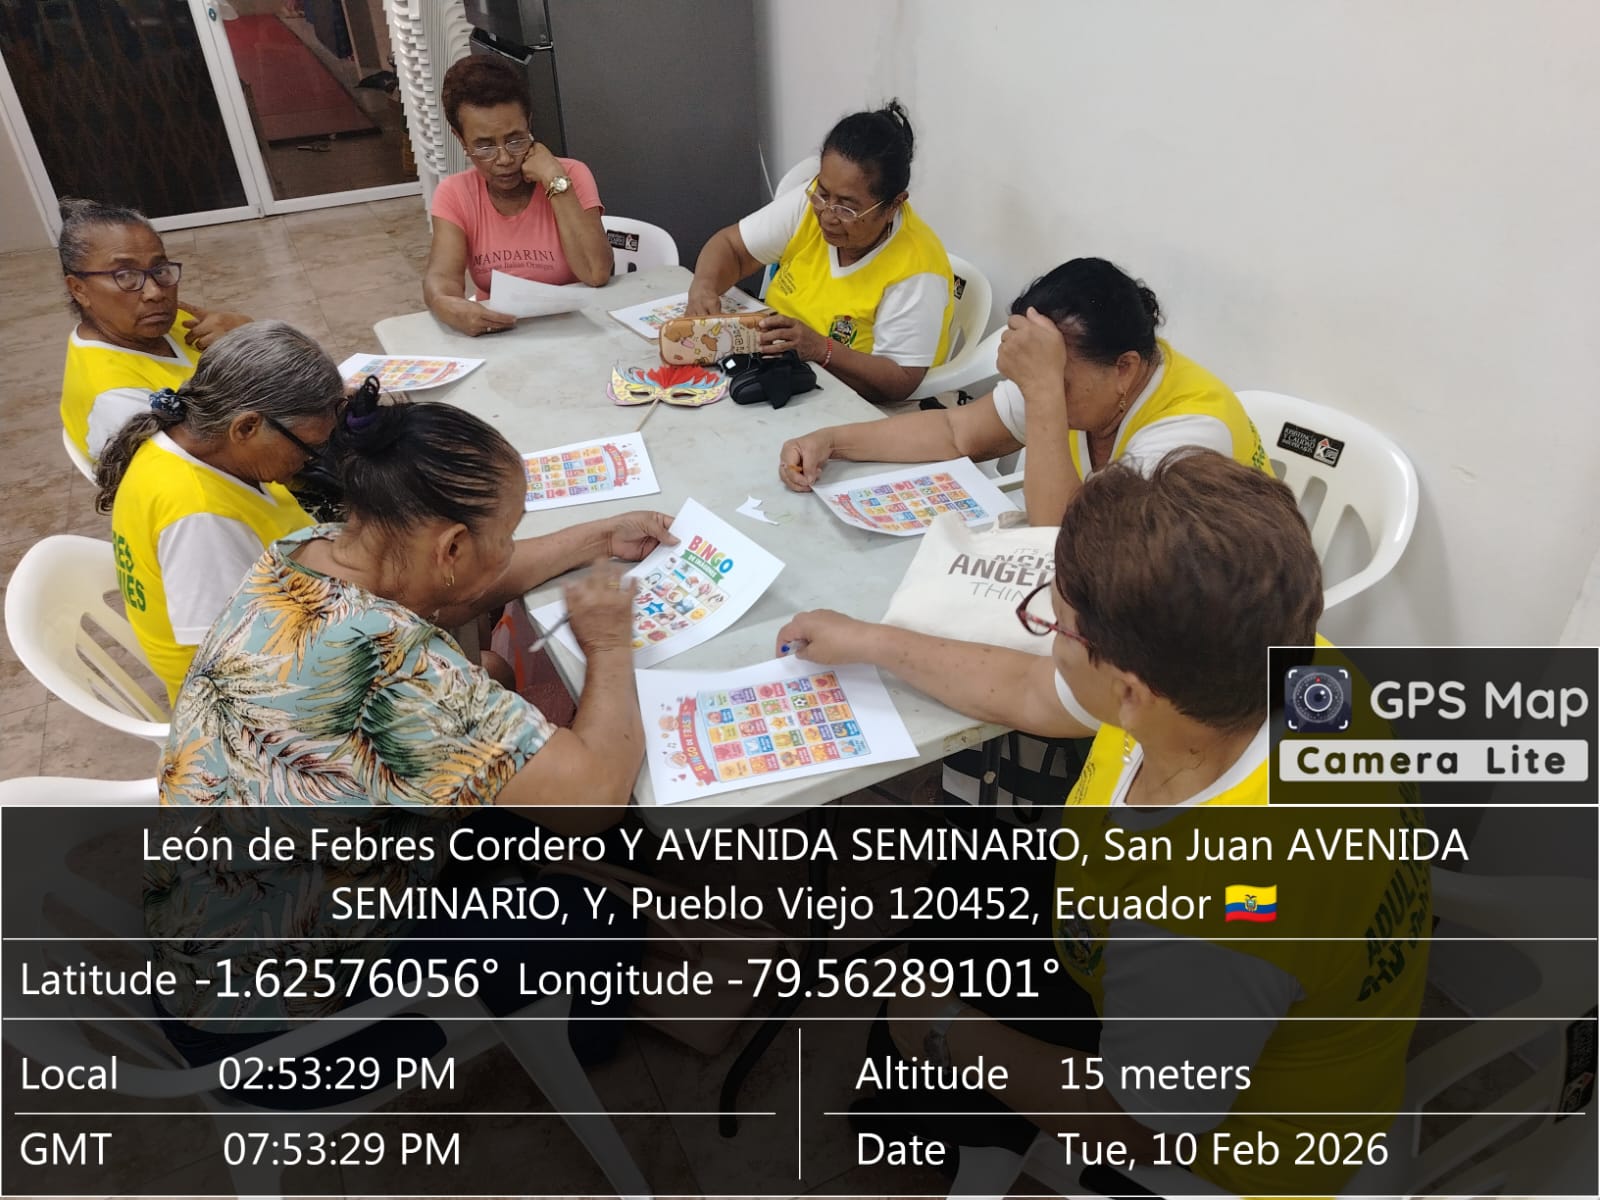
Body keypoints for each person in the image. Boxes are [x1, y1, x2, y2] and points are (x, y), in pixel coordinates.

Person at [776, 451, 1429, 1198]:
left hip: (1228, 1149)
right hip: (1183, 978)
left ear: (1128, 691)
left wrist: (944, 1028)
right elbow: (1033, 690)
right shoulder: (1292, 669)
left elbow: (1139, 1123)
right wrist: (869, 642)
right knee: (970, 886)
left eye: (1054, 624)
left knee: (928, 1004)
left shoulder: (1209, 911)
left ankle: (928, 1146)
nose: (1046, 638)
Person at [149, 393, 669, 1078]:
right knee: (600, 912)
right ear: (451, 547)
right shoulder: (397, 674)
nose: (510, 548)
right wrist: (607, 644)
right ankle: (583, 1045)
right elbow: (593, 800)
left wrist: (598, 540)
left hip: (210, 944)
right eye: (507, 533)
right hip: (275, 1037)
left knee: (506, 728)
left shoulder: (303, 557)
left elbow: (455, 591)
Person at [779, 257, 1266, 526]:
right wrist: (832, 441)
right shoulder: (1077, 381)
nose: (1039, 388)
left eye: (1055, 379)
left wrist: (1043, 392)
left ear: (1125, 368)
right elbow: (956, 432)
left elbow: (1063, 537)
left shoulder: (1192, 435)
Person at [95, 321, 342, 701]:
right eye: (309, 446)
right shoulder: (201, 518)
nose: (311, 459)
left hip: (285, 618)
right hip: (250, 701)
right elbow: (232, 666)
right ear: (246, 428)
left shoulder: (190, 445)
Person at [685, 101, 953, 406]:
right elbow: (732, 248)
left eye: (847, 207)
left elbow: (900, 380)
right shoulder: (810, 206)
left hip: (861, 407)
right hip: (779, 374)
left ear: (893, 205)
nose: (827, 215)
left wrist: (821, 350)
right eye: (823, 194)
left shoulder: (916, 268)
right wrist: (704, 287)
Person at [423, 56, 612, 337]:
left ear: (529, 123)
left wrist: (554, 180)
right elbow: (442, 278)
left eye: (515, 140)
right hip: (499, 333)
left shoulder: (571, 174)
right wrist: (448, 306)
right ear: (460, 139)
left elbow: (596, 273)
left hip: (577, 331)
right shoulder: (455, 193)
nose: (504, 159)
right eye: (484, 146)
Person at [57, 198, 250, 461]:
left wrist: (247, 336)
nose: (155, 292)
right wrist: (252, 348)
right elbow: (211, 470)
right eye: (125, 276)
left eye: (159, 270)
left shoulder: (166, 323)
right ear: (79, 289)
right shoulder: (118, 401)